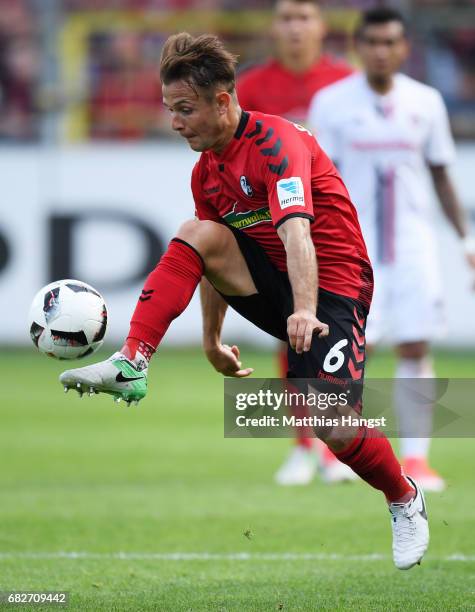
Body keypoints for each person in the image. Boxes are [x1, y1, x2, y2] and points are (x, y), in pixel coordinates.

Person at [60, 32, 429, 570]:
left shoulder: (276, 145)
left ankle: (404, 498)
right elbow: (210, 259)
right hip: (277, 281)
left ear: (224, 102)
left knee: (331, 420)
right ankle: (132, 360)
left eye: (185, 109)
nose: (175, 122)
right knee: (199, 232)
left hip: (334, 285)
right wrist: (211, 339)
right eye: (170, 110)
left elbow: (298, 233)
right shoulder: (206, 171)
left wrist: (304, 310)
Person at [308, 7, 475, 492]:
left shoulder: (426, 102)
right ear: (359, 46)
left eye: (391, 42)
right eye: (373, 42)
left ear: (404, 48)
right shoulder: (331, 103)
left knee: (417, 344)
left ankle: (417, 459)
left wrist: (465, 239)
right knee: (353, 346)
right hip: (352, 249)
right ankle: (333, 447)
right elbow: (318, 180)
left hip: (414, 248)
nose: (382, 51)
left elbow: (441, 172)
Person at [238, 0, 356, 486]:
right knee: (295, 333)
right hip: (281, 229)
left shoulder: (346, 85)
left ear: (322, 26)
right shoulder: (251, 89)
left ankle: (337, 446)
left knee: (344, 335)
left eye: (304, 17)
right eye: (286, 18)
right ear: (274, 26)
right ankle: (304, 444)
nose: (294, 28)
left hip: (336, 227)